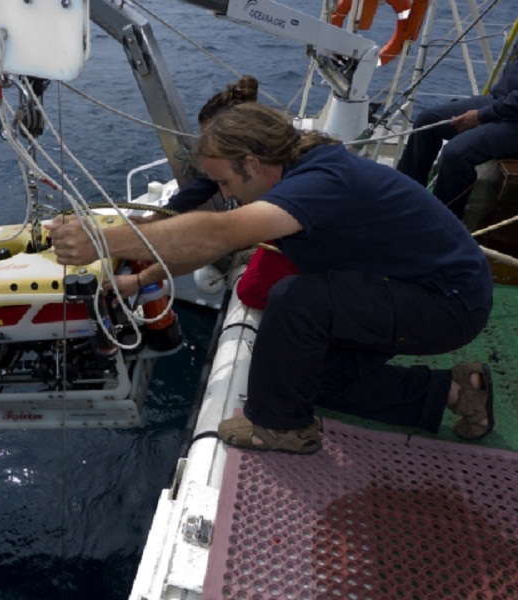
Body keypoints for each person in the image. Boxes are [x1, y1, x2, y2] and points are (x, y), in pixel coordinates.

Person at [48, 102, 495, 454]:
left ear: (252, 163)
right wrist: (143, 279)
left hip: (449, 302)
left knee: (297, 299)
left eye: (224, 182)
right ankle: (456, 392)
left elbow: (221, 232)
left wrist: (101, 241)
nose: (223, 194)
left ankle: (280, 427)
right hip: (405, 290)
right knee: (306, 381)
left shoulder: (321, 180)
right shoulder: (298, 169)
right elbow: (215, 242)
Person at [119, 74, 298, 304]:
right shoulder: (270, 164)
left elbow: (215, 241)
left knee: (249, 290)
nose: (224, 192)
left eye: (213, 139)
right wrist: (158, 216)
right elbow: (203, 188)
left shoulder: (290, 190)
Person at [396, 55, 518, 220]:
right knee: (427, 121)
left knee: (456, 153)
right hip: (501, 102)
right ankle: (404, 198)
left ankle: (443, 222)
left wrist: (482, 115)